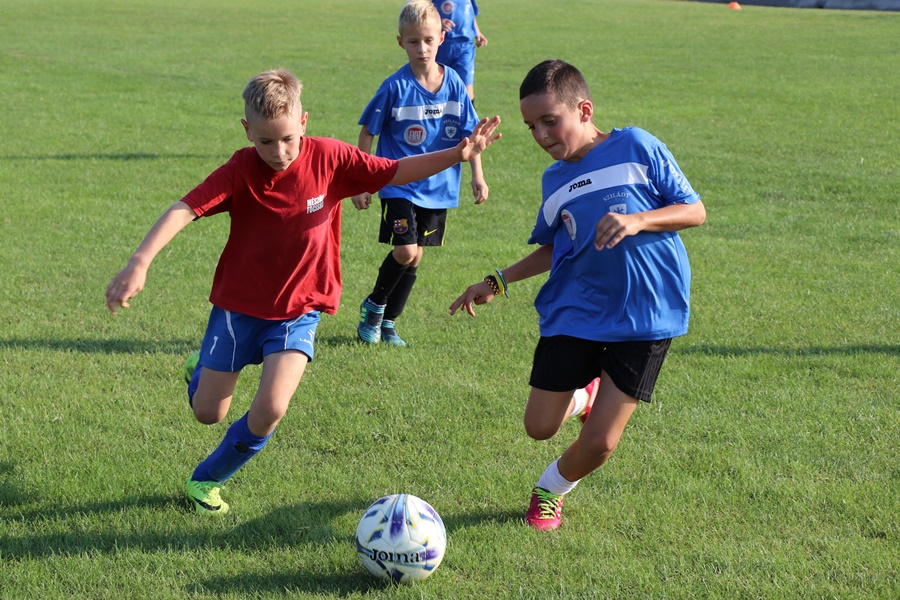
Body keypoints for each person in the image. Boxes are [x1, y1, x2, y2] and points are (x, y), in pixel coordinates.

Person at [105, 69, 501, 516]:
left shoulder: (331, 158)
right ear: (247, 131)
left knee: (271, 408)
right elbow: (185, 208)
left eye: (288, 139)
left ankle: (206, 480)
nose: (279, 152)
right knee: (208, 413)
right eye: (266, 141)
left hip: (300, 309)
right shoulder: (239, 169)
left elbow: (395, 171)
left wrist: (457, 155)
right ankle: (199, 370)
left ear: (304, 122)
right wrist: (140, 261)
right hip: (239, 309)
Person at [449, 59, 706, 531]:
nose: (541, 135)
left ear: (584, 110)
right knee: (539, 427)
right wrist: (497, 281)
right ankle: (587, 396)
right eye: (531, 126)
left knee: (601, 444)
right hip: (578, 312)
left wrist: (638, 220)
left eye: (550, 121)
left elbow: (694, 210)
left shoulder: (637, 146)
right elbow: (556, 247)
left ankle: (550, 489)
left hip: (646, 314)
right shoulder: (554, 181)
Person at [353, 0, 489, 347]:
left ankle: (389, 323)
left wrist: (477, 175)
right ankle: (374, 305)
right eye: (414, 41)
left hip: (439, 186)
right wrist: (364, 181)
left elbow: (470, 136)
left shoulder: (454, 82)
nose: (422, 48)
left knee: (417, 254)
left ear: (442, 37)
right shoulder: (394, 87)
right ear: (401, 42)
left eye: (428, 40)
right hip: (398, 183)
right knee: (405, 250)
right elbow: (368, 133)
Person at [432, 0, 487, 103]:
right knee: (438, 87)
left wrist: (477, 32)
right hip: (440, 46)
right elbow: (423, 11)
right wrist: (438, 22)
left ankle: (469, 113)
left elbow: (470, 13)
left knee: (466, 88)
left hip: (465, 46)